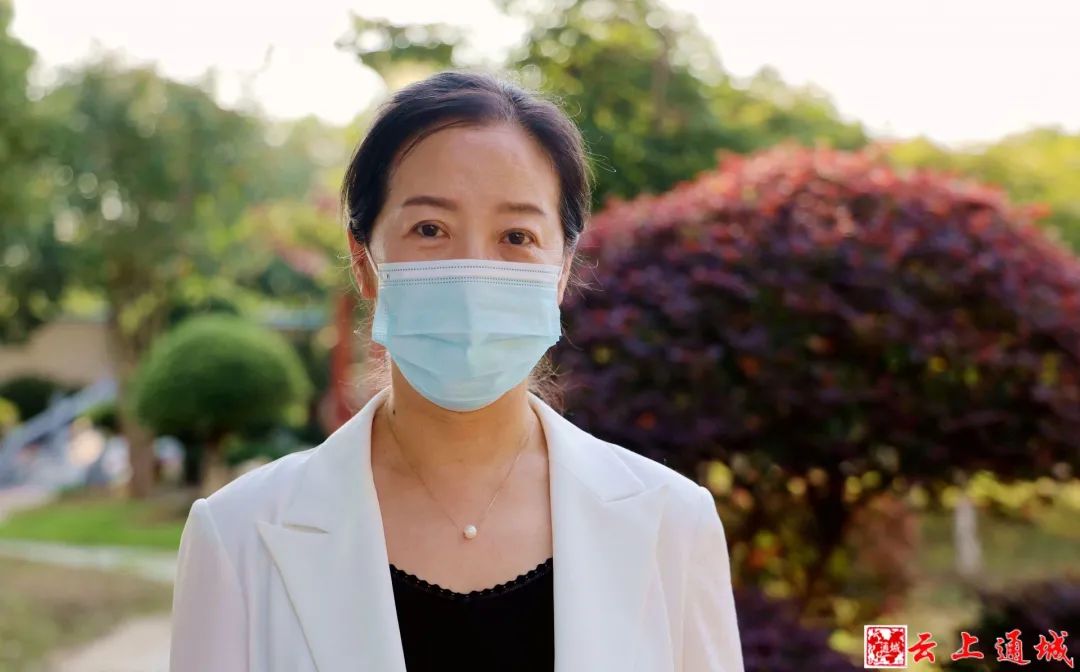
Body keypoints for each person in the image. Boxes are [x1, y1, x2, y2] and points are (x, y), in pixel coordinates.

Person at [169, 69, 744, 672]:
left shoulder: (673, 525)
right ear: (364, 262)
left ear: (563, 270)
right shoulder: (237, 535)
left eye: (516, 235)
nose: (472, 271)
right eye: (430, 229)